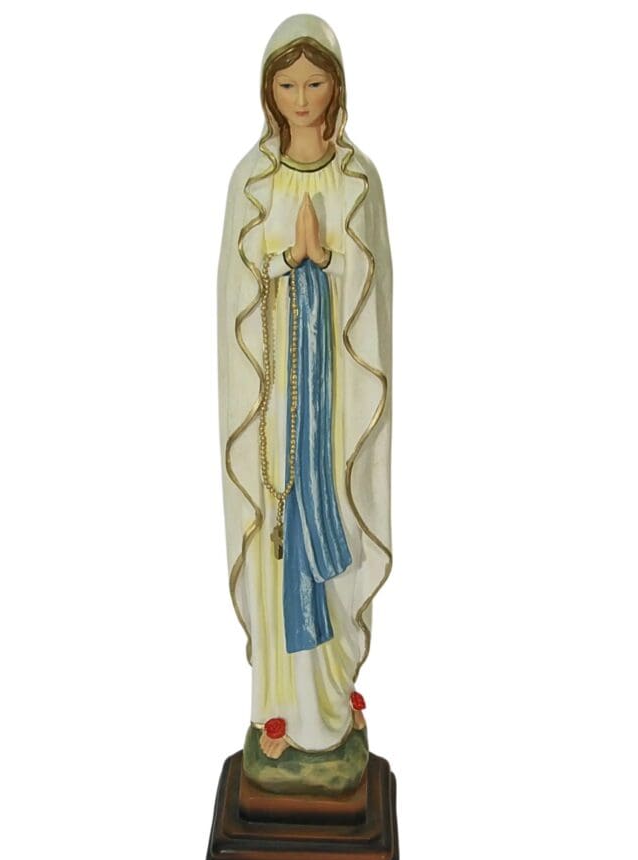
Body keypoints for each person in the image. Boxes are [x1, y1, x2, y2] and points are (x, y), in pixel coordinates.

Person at [217, 14, 393, 761]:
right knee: (277, 527)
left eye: (314, 83)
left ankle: (331, 689)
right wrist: (292, 258)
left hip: (332, 400)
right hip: (273, 399)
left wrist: (329, 263)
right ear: (268, 91)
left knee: (334, 517)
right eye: (286, 85)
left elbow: (373, 298)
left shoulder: (358, 179)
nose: (300, 98)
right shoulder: (254, 181)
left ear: (336, 87)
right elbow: (236, 290)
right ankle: (280, 706)